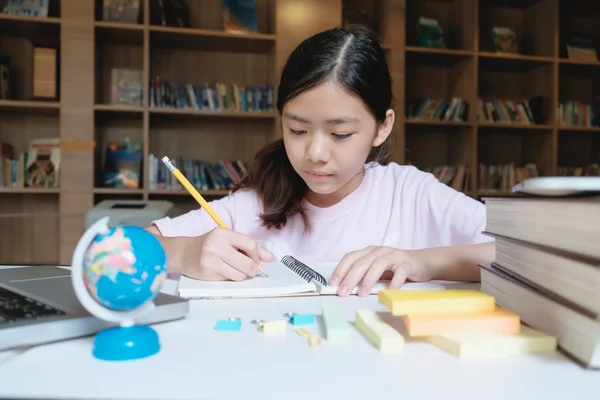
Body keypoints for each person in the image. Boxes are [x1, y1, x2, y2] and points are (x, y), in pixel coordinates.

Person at [146, 25, 495, 297]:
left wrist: (423, 261)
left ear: (382, 127)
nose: (314, 153)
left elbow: (526, 258)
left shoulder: (410, 194)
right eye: (297, 130)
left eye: (340, 134)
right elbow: (110, 249)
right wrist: (183, 252)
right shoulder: (256, 205)